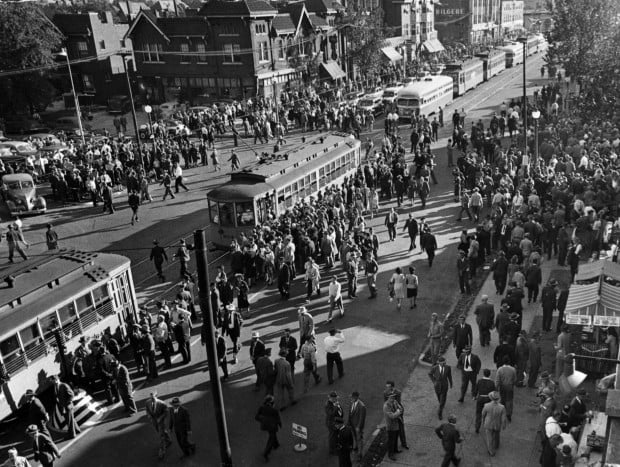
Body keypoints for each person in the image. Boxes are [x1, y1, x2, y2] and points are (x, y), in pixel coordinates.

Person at [50, 375, 80, 440]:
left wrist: (67, 403)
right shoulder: (55, 386)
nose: (52, 382)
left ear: (56, 379)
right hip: (63, 406)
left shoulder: (64, 385)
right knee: (71, 419)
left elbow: (71, 395)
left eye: (53, 381)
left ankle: (72, 435)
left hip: (67, 406)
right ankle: (77, 430)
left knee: (69, 421)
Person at [255, 395, 282, 462]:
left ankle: (276, 445)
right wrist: (280, 424)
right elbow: (277, 418)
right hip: (272, 426)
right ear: (271, 402)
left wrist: (262, 420)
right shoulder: (274, 410)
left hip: (265, 425)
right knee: (271, 438)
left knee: (272, 434)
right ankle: (266, 453)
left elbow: (256, 417)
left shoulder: (261, 407)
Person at [145, 391, 171, 459]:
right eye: (150, 397)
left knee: (161, 436)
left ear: (156, 396)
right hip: (154, 421)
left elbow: (166, 411)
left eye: (153, 397)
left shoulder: (162, 403)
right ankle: (168, 440)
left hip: (160, 421)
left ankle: (162, 451)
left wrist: (160, 418)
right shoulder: (147, 402)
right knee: (160, 432)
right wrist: (149, 417)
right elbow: (147, 410)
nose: (152, 399)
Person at [481, 391, 507, 456]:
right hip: (497, 424)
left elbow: (483, 414)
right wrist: (504, 425)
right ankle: (496, 445)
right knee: (497, 434)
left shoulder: (486, 405)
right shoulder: (502, 407)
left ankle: (491, 451)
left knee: (489, 438)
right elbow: (503, 419)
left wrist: (483, 421)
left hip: (488, 424)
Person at [474, 368, 496, 434]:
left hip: (480, 398)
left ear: (484, 374)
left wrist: (474, 396)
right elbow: (494, 392)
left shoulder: (479, 381)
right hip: (488, 399)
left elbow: (476, 389)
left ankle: (477, 427)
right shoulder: (492, 383)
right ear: (489, 374)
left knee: (478, 413)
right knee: (488, 413)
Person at [495, 355, 517, 421]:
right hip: (510, 387)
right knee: (509, 400)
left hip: (502, 386)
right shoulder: (513, 369)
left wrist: (496, 387)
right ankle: (509, 414)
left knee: (502, 399)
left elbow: (497, 379)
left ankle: (501, 412)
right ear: (509, 361)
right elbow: (515, 379)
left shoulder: (500, 369)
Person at [383, 392, 403, 461]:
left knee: (395, 438)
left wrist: (398, 411)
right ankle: (390, 454)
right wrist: (398, 411)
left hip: (396, 424)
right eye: (391, 397)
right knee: (391, 440)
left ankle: (395, 450)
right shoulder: (386, 406)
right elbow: (392, 416)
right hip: (390, 426)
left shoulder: (395, 401)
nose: (393, 398)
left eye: (394, 396)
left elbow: (401, 408)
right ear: (388, 398)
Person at [348, 391, 366, 460]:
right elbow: (350, 413)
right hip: (352, 424)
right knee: (354, 436)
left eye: (352, 397)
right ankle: (356, 447)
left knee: (359, 439)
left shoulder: (362, 406)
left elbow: (362, 418)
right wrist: (348, 422)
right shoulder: (352, 403)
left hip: (358, 426)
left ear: (356, 397)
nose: (351, 398)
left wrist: (359, 427)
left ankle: (359, 454)